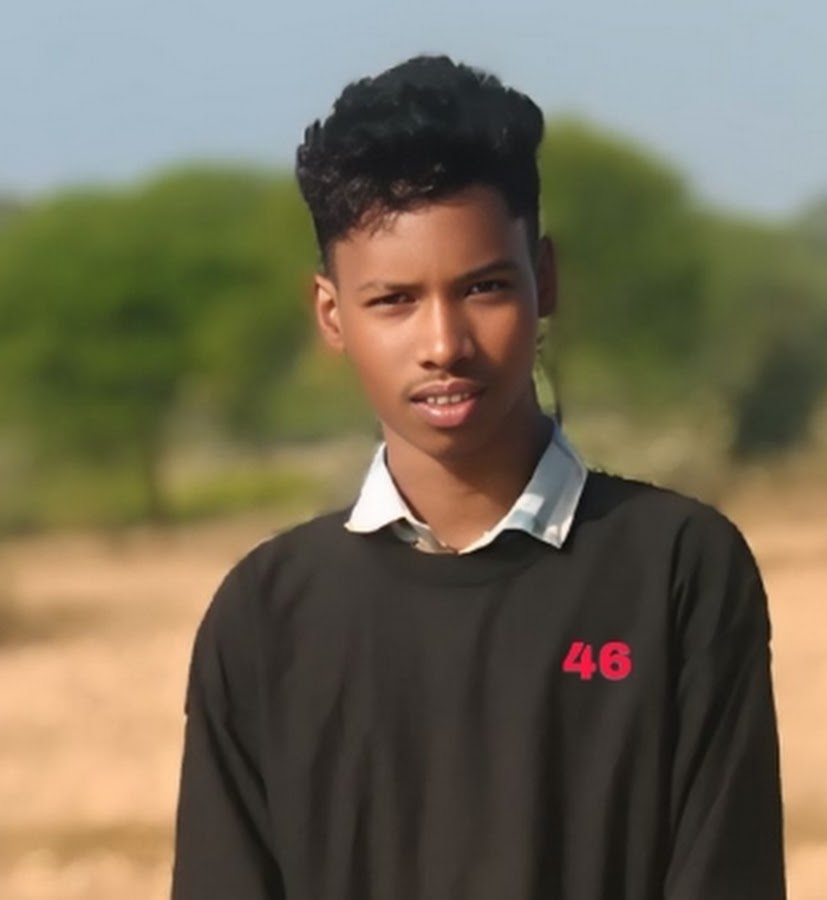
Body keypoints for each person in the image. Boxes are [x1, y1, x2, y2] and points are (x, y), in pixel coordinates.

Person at [171, 55, 786, 900]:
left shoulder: (678, 571)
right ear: (332, 314)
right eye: (393, 300)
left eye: (485, 287)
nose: (444, 344)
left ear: (546, 280)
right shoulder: (267, 615)